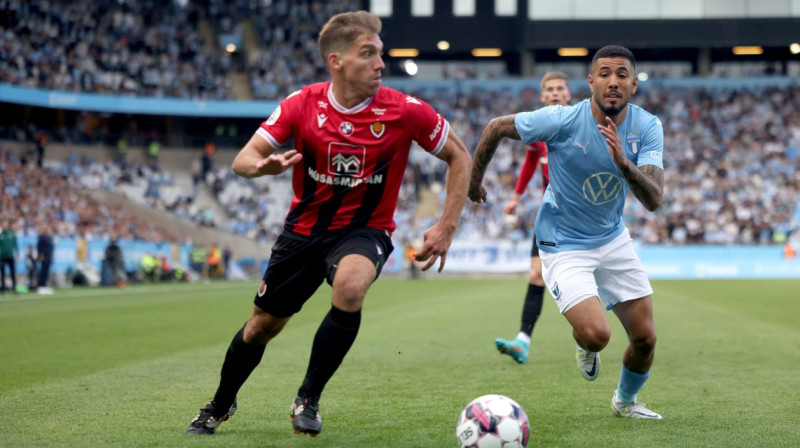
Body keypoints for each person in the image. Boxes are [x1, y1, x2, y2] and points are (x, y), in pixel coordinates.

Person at [186, 10, 471, 437]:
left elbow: (459, 156)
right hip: (303, 233)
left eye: (380, 54)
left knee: (351, 286)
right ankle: (220, 403)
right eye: (368, 54)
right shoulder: (301, 103)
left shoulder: (406, 110)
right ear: (335, 61)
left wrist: (446, 225)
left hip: (365, 230)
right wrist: (262, 168)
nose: (380, 64)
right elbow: (243, 160)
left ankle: (308, 397)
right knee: (261, 327)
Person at [468, 45, 664, 419]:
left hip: (612, 237)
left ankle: (625, 402)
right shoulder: (560, 120)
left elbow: (654, 199)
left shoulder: (648, 127)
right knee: (597, 335)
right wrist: (474, 184)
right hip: (563, 242)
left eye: (622, 74)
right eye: (604, 73)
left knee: (645, 338)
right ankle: (585, 346)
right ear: (590, 82)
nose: (612, 81)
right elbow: (495, 128)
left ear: (634, 85)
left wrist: (624, 163)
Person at [495, 71, 572, 364]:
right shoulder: (539, 126)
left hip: (583, 216)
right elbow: (531, 157)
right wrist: (516, 196)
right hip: (550, 215)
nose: (554, 93)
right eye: (549, 89)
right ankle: (523, 341)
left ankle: (615, 337)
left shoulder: (581, 121)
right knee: (536, 275)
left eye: (559, 89)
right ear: (542, 96)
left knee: (595, 277)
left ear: (568, 94)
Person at [0, 219, 19, 296]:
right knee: (3, 274)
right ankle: (3, 290)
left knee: (13, 273)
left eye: (6, 223)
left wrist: (17, 255)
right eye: (3, 224)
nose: (5, 225)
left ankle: (15, 290)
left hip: (10, 257)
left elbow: (15, 245)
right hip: (2, 257)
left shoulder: (11, 233)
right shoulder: (1, 234)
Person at [36, 225, 54, 294]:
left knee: (46, 272)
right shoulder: (42, 238)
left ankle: (44, 285)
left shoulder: (50, 238)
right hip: (44, 256)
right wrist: (40, 254)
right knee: (43, 272)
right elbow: (39, 247)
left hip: (49, 256)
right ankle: (41, 286)